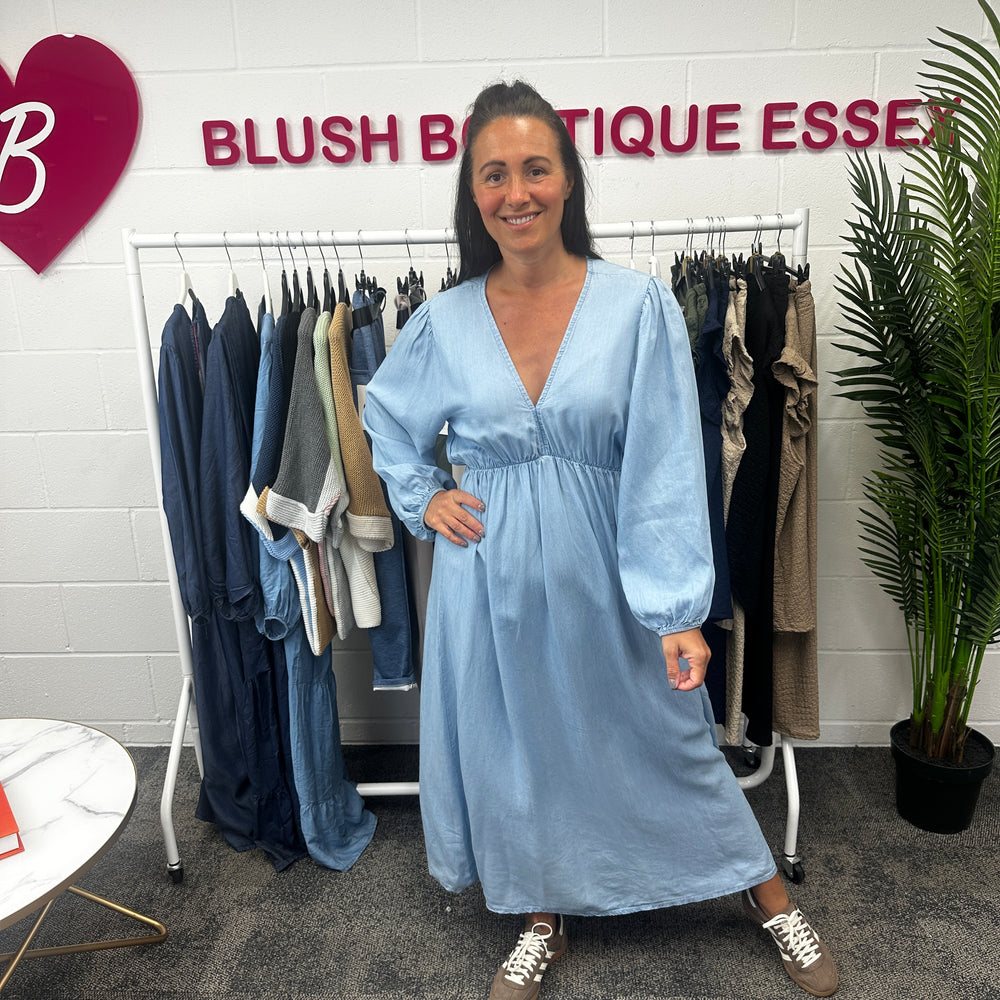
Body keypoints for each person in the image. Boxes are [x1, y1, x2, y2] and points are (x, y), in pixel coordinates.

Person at [361, 80, 838, 1000]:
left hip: (611, 573)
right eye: (493, 174)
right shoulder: (444, 321)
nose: (516, 193)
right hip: (490, 580)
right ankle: (543, 914)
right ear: (472, 191)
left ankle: (766, 894)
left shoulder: (636, 306)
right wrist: (424, 496)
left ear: (569, 179)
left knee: (667, 736)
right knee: (522, 751)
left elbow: (664, 462)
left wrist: (676, 609)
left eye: (535, 168)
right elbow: (384, 416)